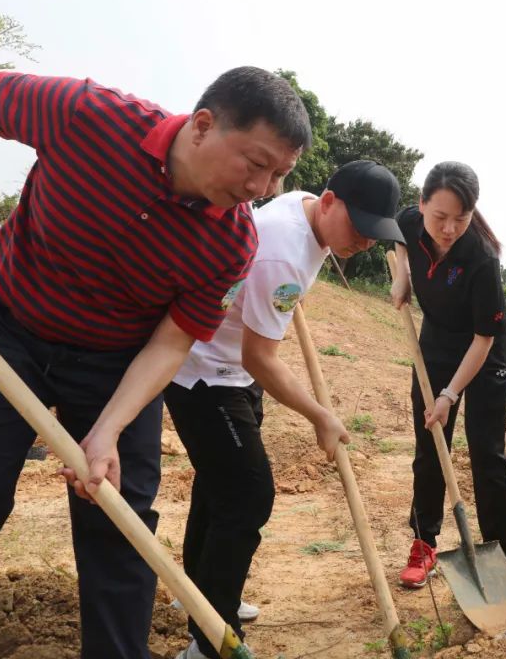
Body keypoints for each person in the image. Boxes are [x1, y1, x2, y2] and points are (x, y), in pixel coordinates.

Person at [0, 66, 311, 659]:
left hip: (115, 362)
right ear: (203, 126)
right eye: (255, 164)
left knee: (121, 522)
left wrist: (109, 429)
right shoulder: (89, 116)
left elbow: (173, 343)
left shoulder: (233, 243)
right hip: (2, 327)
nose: (263, 187)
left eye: (279, 174)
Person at [164, 161, 403, 659]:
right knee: (248, 497)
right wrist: (320, 415)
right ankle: (210, 638)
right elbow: (261, 356)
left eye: (373, 234)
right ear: (332, 201)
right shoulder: (285, 253)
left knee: (218, 492)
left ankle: (205, 598)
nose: (364, 242)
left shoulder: (305, 208)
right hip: (207, 374)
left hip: (232, 368)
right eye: (358, 228)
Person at [390, 161, 506, 588]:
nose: (448, 229)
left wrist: (449, 394)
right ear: (422, 205)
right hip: (438, 341)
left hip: (486, 351)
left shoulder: (481, 257)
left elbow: (483, 339)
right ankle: (424, 542)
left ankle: (497, 550)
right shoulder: (410, 220)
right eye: (439, 217)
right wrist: (402, 277)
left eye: (460, 219)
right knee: (430, 443)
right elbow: (397, 233)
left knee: (486, 451)